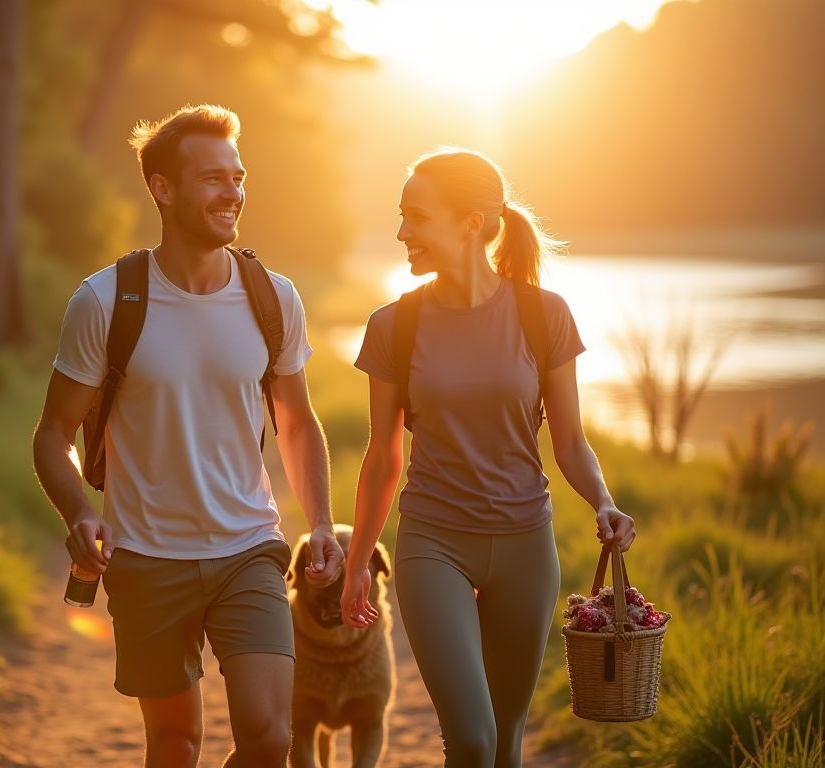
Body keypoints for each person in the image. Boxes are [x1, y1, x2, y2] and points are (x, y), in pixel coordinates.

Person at [31, 104, 343, 768]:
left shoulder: (272, 296)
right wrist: (81, 511)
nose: (231, 192)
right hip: (145, 558)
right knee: (175, 744)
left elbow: (295, 420)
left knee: (268, 738)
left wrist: (319, 520)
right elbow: (53, 433)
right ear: (163, 189)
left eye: (238, 176)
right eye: (212, 178)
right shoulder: (106, 301)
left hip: (249, 548)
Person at [340, 147, 637, 768]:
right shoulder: (395, 325)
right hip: (433, 543)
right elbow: (383, 457)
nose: (402, 232)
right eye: (401, 217)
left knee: (506, 743)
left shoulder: (542, 314)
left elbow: (570, 441)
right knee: (471, 740)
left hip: (527, 543)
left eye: (415, 216)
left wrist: (604, 502)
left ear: (471, 222)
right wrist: (359, 561)